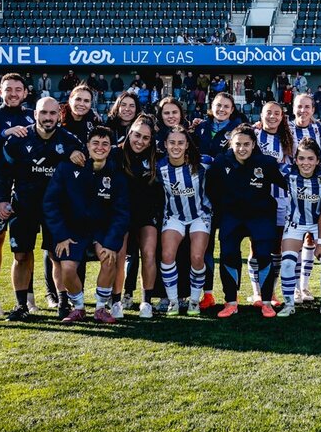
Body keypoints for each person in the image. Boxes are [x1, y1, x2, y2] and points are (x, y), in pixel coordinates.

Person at [0, 97, 85, 322]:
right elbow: (2, 173)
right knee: (21, 255)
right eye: (43, 112)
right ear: (35, 115)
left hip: (57, 210)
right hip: (24, 206)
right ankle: (21, 305)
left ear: (59, 115)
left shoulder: (70, 141)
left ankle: (63, 302)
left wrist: (76, 154)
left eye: (52, 113)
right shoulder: (18, 140)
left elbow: (82, 173)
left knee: (57, 256)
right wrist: (1, 200)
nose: (48, 117)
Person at [43, 126, 130, 323]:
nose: (100, 147)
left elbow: (121, 213)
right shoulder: (67, 168)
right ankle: (79, 308)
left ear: (111, 147)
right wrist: (61, 235)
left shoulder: (116, 174)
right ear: (87, 146)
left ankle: (100, 308)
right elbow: (50, 203)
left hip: (102, 230)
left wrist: (111, 242)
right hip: (73, 229)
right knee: (67, 268)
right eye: (95, 143)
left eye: (105, 144)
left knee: (109, 258)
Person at [207, 125, 289, 318]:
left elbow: (287, 183)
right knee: (228, 255)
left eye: (246, 144)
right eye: (238, 144)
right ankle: (231, 302)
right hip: (232, 216)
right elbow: (210, 188)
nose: (242, 148)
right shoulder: (221, 162)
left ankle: (266, 302)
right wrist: (221, 208)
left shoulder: (266, 163)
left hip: (260, 215)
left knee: (264, 255)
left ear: (253, 144)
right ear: (231, 144)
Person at [0, 72, 36, 317]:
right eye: (8, 89)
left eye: (18, 89)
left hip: (25, 185)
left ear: (25, 92)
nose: (13, 94)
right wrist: (6, 134)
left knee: (26, 244)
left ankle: (28, 297)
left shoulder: (33, 116)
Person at [156, 126, 214, 315]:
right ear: (165, 144)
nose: (176, 146)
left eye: (180, 143)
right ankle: (173, 301)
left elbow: (226, 162)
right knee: (167, 255)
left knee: (197, 257)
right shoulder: (159, 167)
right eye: (172, 142)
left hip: (200, 215)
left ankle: (194, 301)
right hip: (174, 216)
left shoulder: (203, 163)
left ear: (187, 145)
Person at [279, 139, 321, 316]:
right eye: (302, 158)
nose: (306, 163)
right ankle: (288, 304)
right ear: (295, 160)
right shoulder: (287, 172)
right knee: (287, 263)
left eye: (311, 158)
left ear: (318, 160)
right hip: (296, 223)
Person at [116, 116, 164, 318]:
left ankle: (146, 302)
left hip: (147, 213)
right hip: (121, 213)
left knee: (149, 253)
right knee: (119, 255)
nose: (140, 141)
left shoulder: (157, 157)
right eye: (137, 135)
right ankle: (116, 301)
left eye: (146, 138)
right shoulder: (116, 153)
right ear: (129, 134)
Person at [250, 101, 295, 307]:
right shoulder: (254, 134)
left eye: (277, 113)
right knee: (256, 246)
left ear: (282, 117)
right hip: (256, 199)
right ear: (261, 115)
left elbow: (294, 165)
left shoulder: (288, 138)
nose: (272, 116)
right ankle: (257, 292)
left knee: (277, 247)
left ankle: (272, 290)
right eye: (268, 112)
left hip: (281, 199)